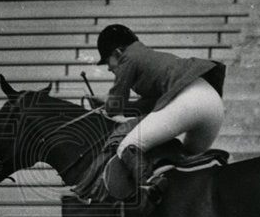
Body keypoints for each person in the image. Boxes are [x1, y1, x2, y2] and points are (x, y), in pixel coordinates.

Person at [90, 24, 226, 204]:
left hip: (190, 100)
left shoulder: (128, 58)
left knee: (128, 146)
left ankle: (149, 187)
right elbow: (150, 105)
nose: (108, 68)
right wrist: (112, 106)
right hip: (213, 105)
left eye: (107, 61)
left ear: (117, 52)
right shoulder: (149, 58)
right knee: (189, 160)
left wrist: (104, 105)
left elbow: (115, 104)